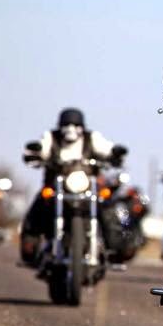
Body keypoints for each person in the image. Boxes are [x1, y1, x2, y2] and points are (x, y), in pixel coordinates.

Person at [20, 108, 127, 265]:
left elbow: (104, 148)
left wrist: (114, 152)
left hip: (87, 187)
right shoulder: (51, 137)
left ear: (82, 127)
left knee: (107, 208)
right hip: (56, 186)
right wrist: (37, 151)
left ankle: (115, 250)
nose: (71, 129)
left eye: (75, 125)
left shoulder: (92, 138)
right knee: (38, 207)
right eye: (66, 125)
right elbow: (43, 148)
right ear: (60, 126)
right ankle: (30, 248)